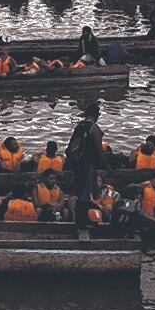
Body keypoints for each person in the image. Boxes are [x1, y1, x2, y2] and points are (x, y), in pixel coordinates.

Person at [66, 102, 106, 238]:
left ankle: (85, 219)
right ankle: (81, 223)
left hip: (77, 165)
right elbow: (99, 149)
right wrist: (104, 163)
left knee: (83, 191)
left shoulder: (79, 126)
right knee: (85, 194)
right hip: (88, 165)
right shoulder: (94, 128)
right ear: (97, 115)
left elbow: (70, 148)